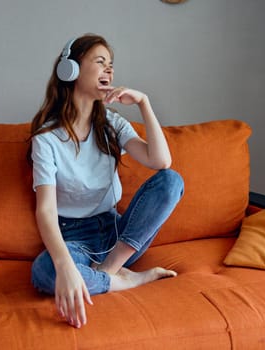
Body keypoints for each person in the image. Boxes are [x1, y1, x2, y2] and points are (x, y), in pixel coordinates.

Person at [28, 34, 184, 329]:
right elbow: (45, 210)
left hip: (120, 237)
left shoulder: (113, 124)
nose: (109, 71)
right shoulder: (47, 139)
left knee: (171, 180)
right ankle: (125, 279)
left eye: (111, 65)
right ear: (70, 70)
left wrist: (144, 103)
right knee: (44, 272)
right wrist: (64, 265)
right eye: (100, 62)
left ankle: (110, 269)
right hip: (74, 238)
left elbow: (161, 162)